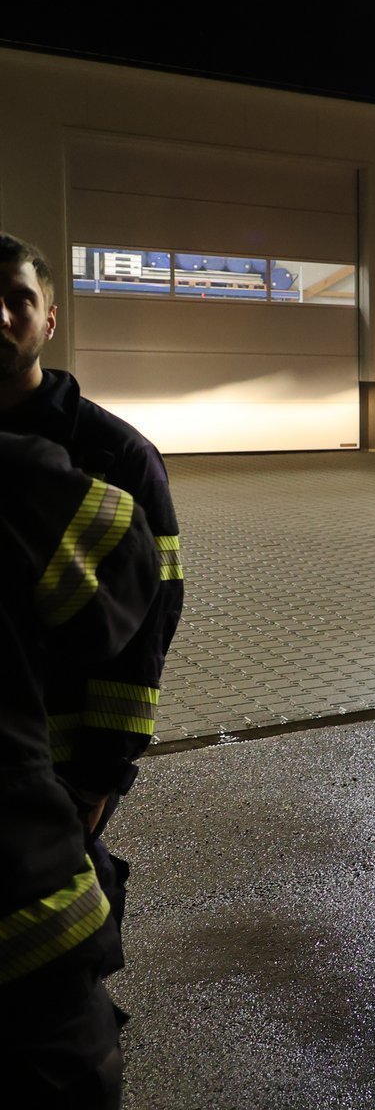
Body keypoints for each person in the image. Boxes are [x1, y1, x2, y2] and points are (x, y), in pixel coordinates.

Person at [0, 233, 181, 979]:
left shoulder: (115, 456)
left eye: (17, 299)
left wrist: (99, 779)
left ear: (49, 320)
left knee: (56, 938)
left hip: (61, 768)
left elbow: (146, 634)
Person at [1, 432, 161, 1107]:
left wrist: (99, 768)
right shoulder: (19, 477)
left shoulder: (117, 449)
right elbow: (125, 584)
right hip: (21, 902)